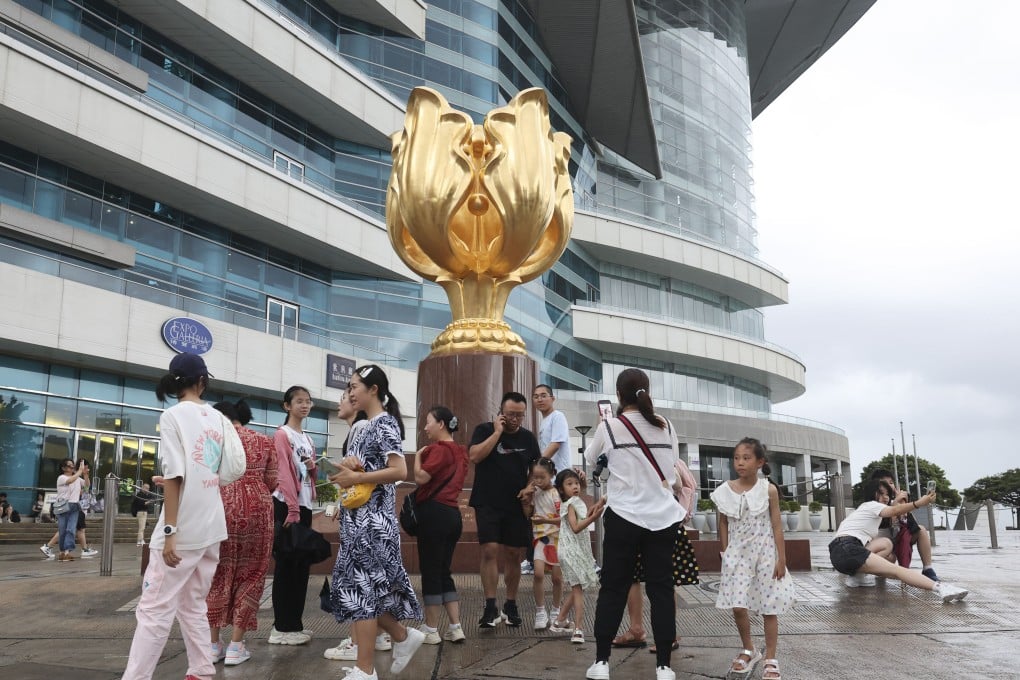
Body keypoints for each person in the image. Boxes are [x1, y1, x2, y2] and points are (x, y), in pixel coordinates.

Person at [122, 352, 245, 680]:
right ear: (202, 381)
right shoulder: (217, 418)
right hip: (211, 526)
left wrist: (170, 531)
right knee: (193, 604)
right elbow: (205, 469)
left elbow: (176, 474)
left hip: (183, 530)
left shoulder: (174, 416)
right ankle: (201, 671)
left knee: (153, 609)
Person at [584, 368, 684, 680]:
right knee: (661, 589)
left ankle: (601, 663)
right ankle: (664, 666)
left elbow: (590, 458)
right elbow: (673, 466)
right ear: (645, 391)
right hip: (662, 518)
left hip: (624, 516)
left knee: (613, 587)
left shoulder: (609, 426)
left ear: (618, 395)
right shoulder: (665, 425)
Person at [328, 364, 424, 680]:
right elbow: (363, 472)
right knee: (359, 590)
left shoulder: (385, 425)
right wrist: (349, 468)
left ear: (373, 390)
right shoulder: (361, 427)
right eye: (350, 386)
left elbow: (400, 472)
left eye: (355, 385)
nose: (350, 391)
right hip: (357, 520)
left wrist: (359, 474)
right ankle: (401, 636)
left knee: (363, 592)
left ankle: (365, 669)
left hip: (373, 522)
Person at [710, 438, 796, 680]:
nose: (740, 462)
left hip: (766, 553)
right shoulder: (724, 491)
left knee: (769, 608)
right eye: (736, 458)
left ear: (760, 462)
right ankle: (749, 649)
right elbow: (723, 523)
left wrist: (782, 559)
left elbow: (777, 525)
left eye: (746, 458)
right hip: (737, 556)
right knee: (738, 605)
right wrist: (726, 553)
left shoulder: (767, 489)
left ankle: (771, 657)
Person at [207, 399, 278, 666]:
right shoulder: (264, 440)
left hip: (219, 506)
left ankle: (213, 645)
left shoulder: (214, 441)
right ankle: (236, 645)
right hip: (258, 508)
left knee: (217, 573)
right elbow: (273, 481)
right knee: (253, 573)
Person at [323, 390, 393, 662]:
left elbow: (360, 476)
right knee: (367, 579)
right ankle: (377, 636)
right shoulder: (361, 429)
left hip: (363, 517)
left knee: (356, 582)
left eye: (343, 398)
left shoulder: (361, 428)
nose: (339, 404)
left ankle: (362, 643)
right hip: (369, 515)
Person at [468, 391, 542, 629]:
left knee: (513, 553)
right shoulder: (484, 430)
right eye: (511, 414)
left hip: (515, 504)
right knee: (489, 550)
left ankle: (510, 604)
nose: (515, 419)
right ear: (500, 412)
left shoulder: (528, 439)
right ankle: (490, 605)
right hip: (487, 501)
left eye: (520, 415)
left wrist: (530, 488)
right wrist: (497, 433)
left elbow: (535, 468)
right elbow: (475, 456)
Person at [612, 458, 700, 652]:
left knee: (662, 580)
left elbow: (674, 482)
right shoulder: (628, 454)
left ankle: (668, 634)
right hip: (634, 519)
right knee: (631, 576)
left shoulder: (663, 454)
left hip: (661, 522)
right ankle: (636, 630)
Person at [829, 479, 968, 603]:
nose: (885, 497)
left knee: (889, 558)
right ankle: (941, 588)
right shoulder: (871, 505)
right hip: (847, 547)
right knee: (896, 570)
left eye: (887, 495)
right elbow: (894, 511)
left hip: (838, 556)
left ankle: (857, 576)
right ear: (873, 493)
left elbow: (896, 517)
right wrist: (919, 503)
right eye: (881, 493)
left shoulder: (864, 511)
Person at [412, 405, 469, 644]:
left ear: (441, 424)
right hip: (452, 515)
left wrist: (416, 457)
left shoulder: (438, 450)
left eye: (428, 422)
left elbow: (421, 477)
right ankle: (455, 627)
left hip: (433, 514)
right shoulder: (461, 452)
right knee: (444, 571)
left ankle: (431, 628)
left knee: (431, 572)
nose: (425, 427)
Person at [269, 385, 319, 646]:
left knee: (301, 567)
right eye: (299, 401)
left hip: (304, 506)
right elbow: (284, 475)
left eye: (308, 401)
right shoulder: (282, 435)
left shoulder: (308, 439)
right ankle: (281, 627)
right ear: (287, 406)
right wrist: (291, 509)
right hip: (289, 507)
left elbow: (311, 476)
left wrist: (313, 467)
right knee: (287, 567)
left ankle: (294, 625)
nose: (305, 405)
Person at [549, 468, 604, 643]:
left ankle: (560, 620)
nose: (575, 487)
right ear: (560, 489)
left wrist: (584, 483)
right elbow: (576, 527)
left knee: (578, 585)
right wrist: (594, 518)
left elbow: (583, 508)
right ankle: (578, 629)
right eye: (569, 484)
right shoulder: (571, 504)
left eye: (576, 483)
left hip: (575, 550)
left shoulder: (575, 501)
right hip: (571, 551)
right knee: (578, 589)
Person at [522, 384, 571, 577]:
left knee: (563, 520)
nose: (540, 399)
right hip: (548, 477)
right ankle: (537, 560)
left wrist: (538, 469)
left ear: (552, 398)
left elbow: (556, 444)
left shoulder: (557, 417)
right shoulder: (544, 421)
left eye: (543, 396)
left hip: (558, 477)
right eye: (536, 396)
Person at [869, 468, 939, 581]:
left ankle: (928, 569)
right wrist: (896, 504)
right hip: (883, 544)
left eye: (891, 483)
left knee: (921, 530)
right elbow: (886, 520)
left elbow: (912, 526)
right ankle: (876, 571)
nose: (890, 486)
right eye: (886, 483)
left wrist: (904, 507)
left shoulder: (897, 501)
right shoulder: (874, 504)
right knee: (890, 559)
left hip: (898, 539)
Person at [520, 458, 563, 631]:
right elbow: (528, 514)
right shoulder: (534, 492)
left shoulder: (557, 493)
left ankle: (556, 610)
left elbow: (563, 519)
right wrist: (526, 500)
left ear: (552, 475)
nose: (538, 481)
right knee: (538, 574)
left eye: (542, 477)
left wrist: (546, 520)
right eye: (535, 477)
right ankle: (540, 611)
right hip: (540, 538)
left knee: (557, 578)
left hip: (557, 539)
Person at [54, 458, 88, 562]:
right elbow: (70, 481)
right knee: (62, 529)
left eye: (73, 465)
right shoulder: (61, 478)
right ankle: (62, 552)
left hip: (74, 505)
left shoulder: (77, 478)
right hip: (63, 505)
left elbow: (86, 486)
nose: (72, 467)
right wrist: (79, 471)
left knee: (71, 529)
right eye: (69, 466)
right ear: (63, 468)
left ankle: (67, 552)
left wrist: (86, 475)